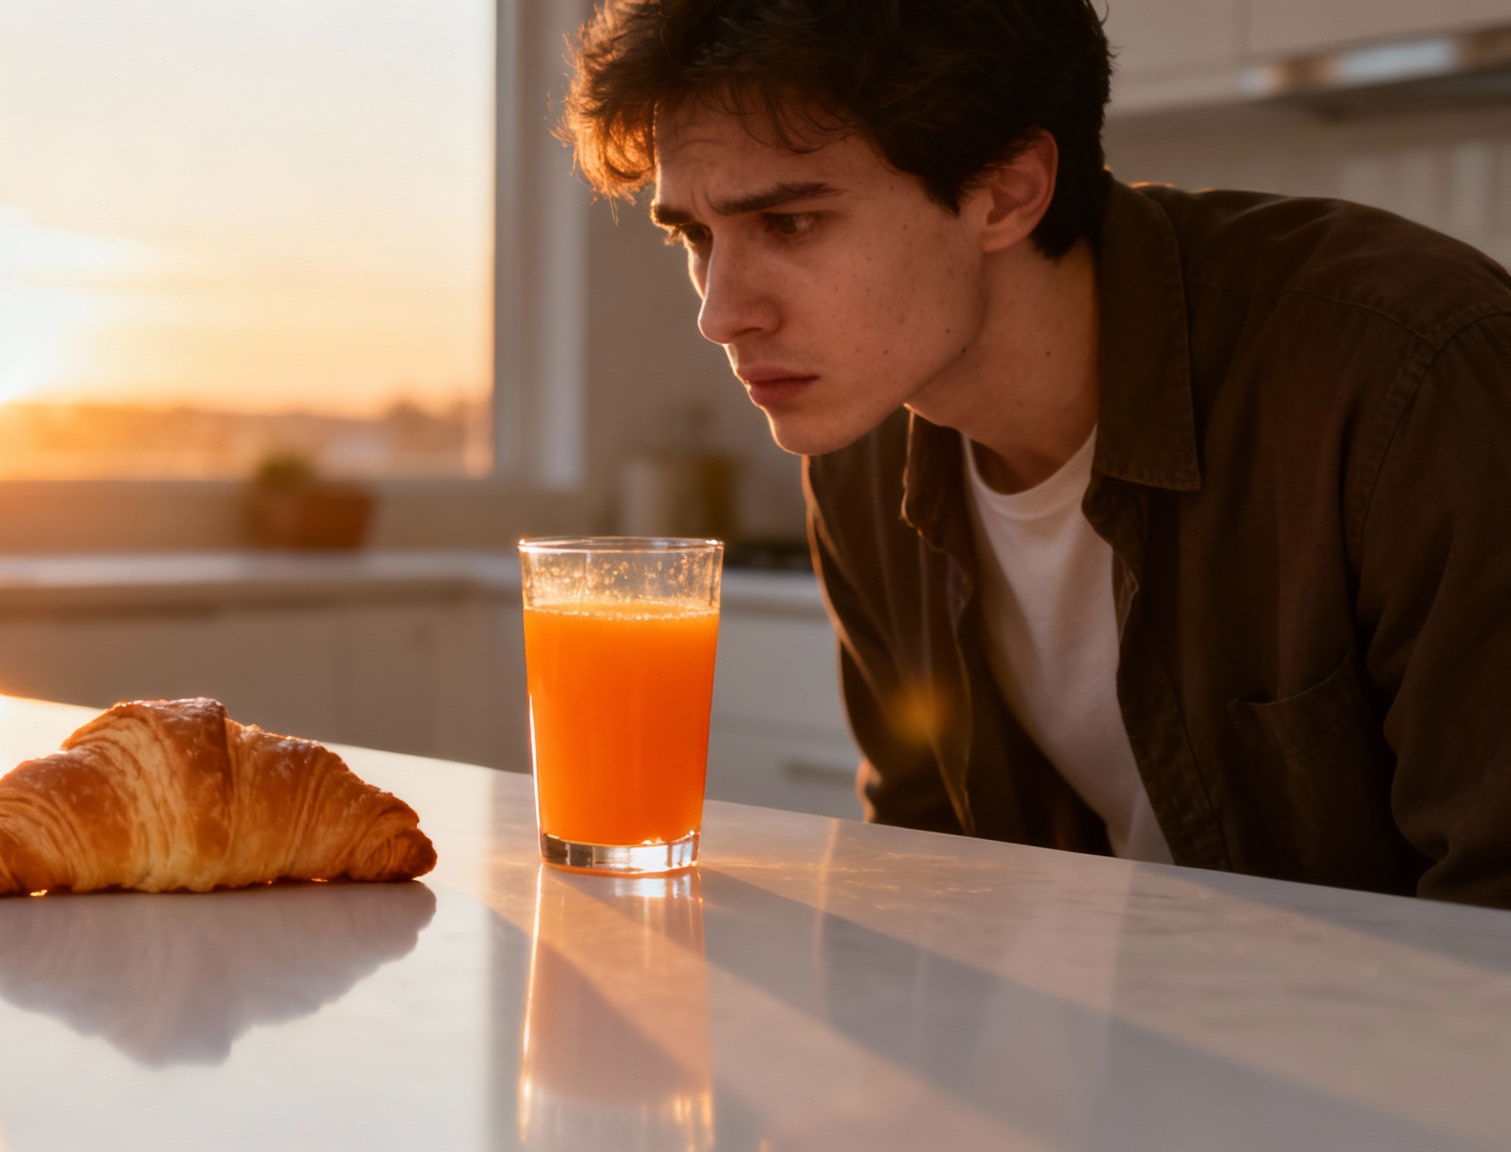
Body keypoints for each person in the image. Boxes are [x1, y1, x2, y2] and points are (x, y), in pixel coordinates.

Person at [560, 0, 1511, 906]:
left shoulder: (1407, 377)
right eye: (695, 234)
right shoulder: (859, 452)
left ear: (1009, 190)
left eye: (790, 222)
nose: (720, 315)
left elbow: (1493, 907)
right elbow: (928, 875)